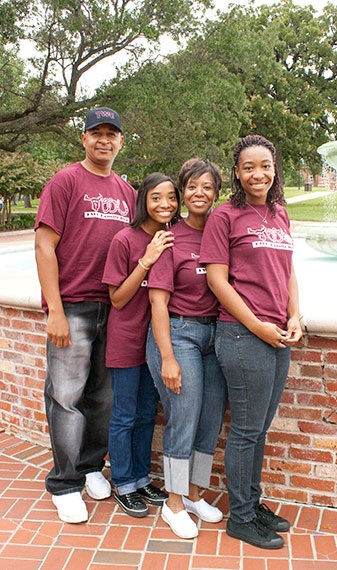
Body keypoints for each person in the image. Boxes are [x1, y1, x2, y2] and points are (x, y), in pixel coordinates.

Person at [200, 135, 302, 549]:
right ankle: (240, 517)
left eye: (265, 165)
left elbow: (288, 271)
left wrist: (295, 314)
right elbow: (216, 280)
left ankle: (251, 503)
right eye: (248, 167)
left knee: (259, 429)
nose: (258, 173)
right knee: (244, 430)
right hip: (243, 334)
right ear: (237, 173)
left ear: (274, 168)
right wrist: (258, 325)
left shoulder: (280, 214)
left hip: (277, 333)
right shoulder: (225, 216)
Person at [34, 107, 137, 524]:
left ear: (121, 142)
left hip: (113, 307)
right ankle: (65, 482)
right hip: (73, 305)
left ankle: (92, 466)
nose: (104, 140)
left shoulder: (127, 192)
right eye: (96, 133)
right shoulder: (65, 181)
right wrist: (54, 309)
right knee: (66, 396)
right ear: (84, 139)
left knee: (103, 397)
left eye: (112, 134)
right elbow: (44, 247)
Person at [146, 158, 227, 539]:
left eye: (208, 187)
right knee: (184, 415)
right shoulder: (170, 238)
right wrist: (167, 357)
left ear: (216, 193)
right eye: (193, 186)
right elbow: (158, 303)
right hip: (178, 333)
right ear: (182, 192)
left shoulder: (221, 230)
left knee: (209, 418)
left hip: (215, 337)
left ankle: (194, 494)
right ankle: (173, 502)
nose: (200, 194)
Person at [102, 173, 181, 517]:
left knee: (148, 414)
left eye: (171, 198)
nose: (165, 204)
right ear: (143, 202)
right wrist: (146, 260)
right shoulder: (125, 240)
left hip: (157, 342)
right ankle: (122, 482)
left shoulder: (173, 239)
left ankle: (140, 476)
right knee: (124, 415)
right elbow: (117, 299)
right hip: (126, 340)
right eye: (156, 198)